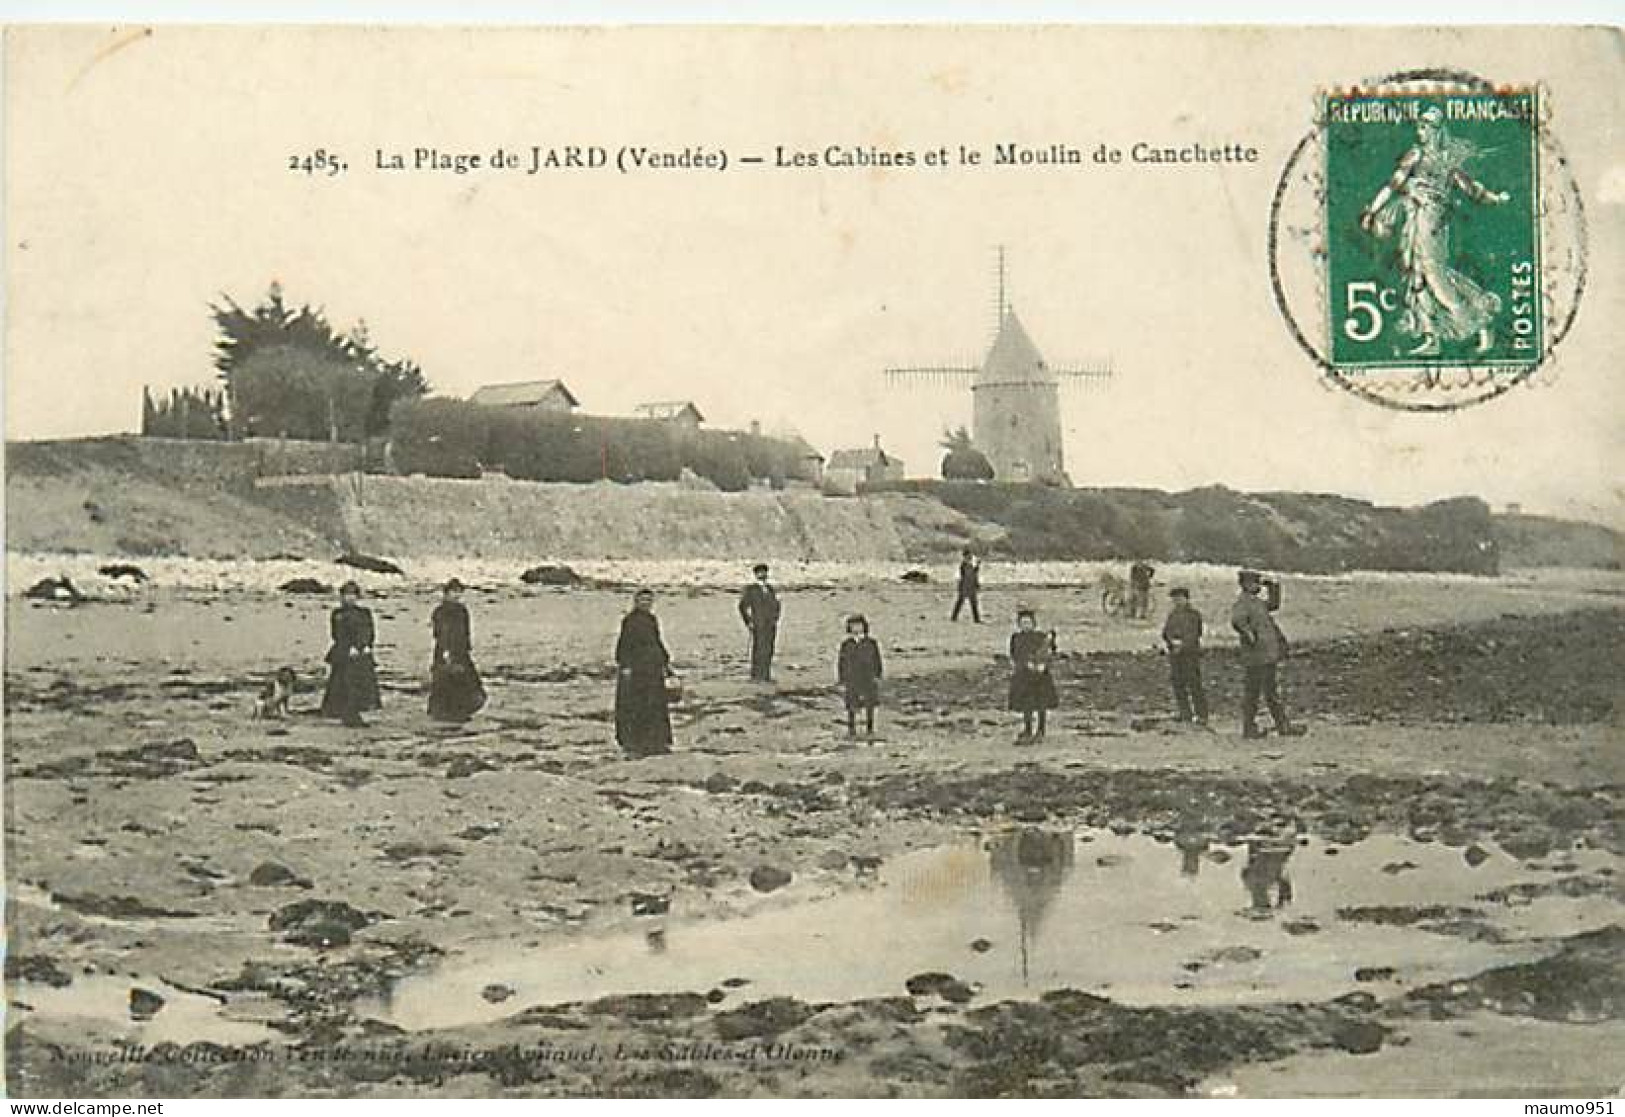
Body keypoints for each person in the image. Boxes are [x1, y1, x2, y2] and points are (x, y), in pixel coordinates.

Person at [1359, 105, 1509, 357]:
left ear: (1438, 131)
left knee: (1436, 278)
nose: (1421, 132)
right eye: (1420, 127)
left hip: (1435, 223)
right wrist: (1372, 211)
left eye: (1426, 127)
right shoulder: (1415, 155)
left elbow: (1470, 188)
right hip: (1415, 218)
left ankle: (1482, 322)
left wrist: (1495, 198)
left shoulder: (1448, 158)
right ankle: (1432, 338)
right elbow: (1393, 184)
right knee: (1417, 276)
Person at [1229, 569, 1305, 739]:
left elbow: (1274, 604)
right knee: (1259, 693)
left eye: (1257, 583)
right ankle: (1269, 727)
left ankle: (1270, 726)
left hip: (1264, 654)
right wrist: (1249, 635)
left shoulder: (1255, 602)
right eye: (1254, 583)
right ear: (1246, 585)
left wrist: (1273, 586)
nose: (1257, 586)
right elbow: (1237, 621)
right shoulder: (1244, 603)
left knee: (1263, 692)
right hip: (1257, 655)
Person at [615, 588, 675, 757]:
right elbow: (624, 644)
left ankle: (657, 741)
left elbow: (656, 641)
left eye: (649, 601)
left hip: (653, 668)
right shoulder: (629, 621)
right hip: (637, 669)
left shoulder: (652, 619)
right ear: (636, 602)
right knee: (636, 706)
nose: (646, 604)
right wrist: (625, 666)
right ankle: (635, 742)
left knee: (656, 705)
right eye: (643, 601)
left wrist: (665, 661)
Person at [320, 580, 381, 728]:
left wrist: (364, 645)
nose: (350, 598)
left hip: (362, 651)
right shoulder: (338, 614)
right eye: (347, 595)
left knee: (364, 679)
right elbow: (337, 634)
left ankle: (363, 706)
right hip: (343, 650)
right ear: (341, 597)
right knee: (341, 680)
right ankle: (338, 708)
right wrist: (349, 647)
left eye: (353, 595)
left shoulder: (364, 613)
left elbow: (369, 631)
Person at [427, 578, 486, 723]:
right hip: (446, 650)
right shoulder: (440, 611)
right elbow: (440, 633)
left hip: (460, 651)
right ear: (446, 593)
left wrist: (466, 648)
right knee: (446, 679)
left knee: (466, 681)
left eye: (459, 592)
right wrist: (446, 651)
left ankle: (458, 708)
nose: (457, 596)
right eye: (454, 592)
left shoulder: (462, 610)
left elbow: (465, 631)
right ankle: (446, 710)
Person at [1008, 607, 1059, 744]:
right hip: (1024, 676)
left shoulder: (1040, 636)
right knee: (1027, 705)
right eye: (1023, 623)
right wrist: (1026, 664)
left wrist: (1044, 662)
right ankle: (1028, 729)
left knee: (1042, 704)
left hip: (1041, 677)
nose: (1026, 625)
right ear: (1019, 625)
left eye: (1028, 623)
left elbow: (1051, 652)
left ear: (1034, 624)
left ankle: (1041, 730)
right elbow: (1015, 654)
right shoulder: (1016, 638)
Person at [1161, 586, 1208, 725]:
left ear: (1186, 599)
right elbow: (1165, 632)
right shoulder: (1172, 614)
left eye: (1179, 598)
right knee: (1178, 684)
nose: (1177, 601)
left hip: (1190, 654)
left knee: (1194, 684)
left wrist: (1182, 645)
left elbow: (1195, 633)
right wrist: (1171, 642)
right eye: (1174, 599)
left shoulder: (1193, 615)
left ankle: (1201, 714)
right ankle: (1185, 713)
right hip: (1175, 655)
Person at [837, 613, 884, 740]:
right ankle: (851, 728)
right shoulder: (846, 644)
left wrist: (877, 675)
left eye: (859, 625)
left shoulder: (871, 643)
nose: (856, 628)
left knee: (870, 703)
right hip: (852, 677)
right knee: (851, 703)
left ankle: (870, 727)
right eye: (853, 626)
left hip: (868, 676)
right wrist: (842, 679)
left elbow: (877, 660)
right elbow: (842, 662)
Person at [738, 562, 782, 683]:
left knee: (769, 649)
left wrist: (775, 618)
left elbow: (777, 605)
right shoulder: (751, 589)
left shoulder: (770, 589)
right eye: (760, 572)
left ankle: (766, 674)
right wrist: (749, 622)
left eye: (764, 572)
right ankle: (756, 676)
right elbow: (742, 606)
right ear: (756, 574)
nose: (762, 574)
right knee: (758, 649)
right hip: (758, 623)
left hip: (770, 624)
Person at [951, 548, 983, 623]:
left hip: (970, 585)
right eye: (968, 555)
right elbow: (966, 575)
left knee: (973, 603)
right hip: (965, 585)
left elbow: (974, 573)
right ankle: (954, 617)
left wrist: (976, 583)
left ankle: (976, 619)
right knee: (961, 601)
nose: (970, 556)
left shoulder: (969, 564)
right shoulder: (963, 565)